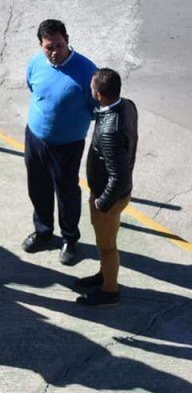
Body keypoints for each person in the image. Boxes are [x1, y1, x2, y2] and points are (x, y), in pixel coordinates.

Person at [22, 19, 98, 265]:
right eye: (49, 47)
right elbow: (34, 89)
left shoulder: (87, 71)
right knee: (37, 187)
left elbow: (96, 107)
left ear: (67, 39)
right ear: (40, 46)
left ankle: (69, 238)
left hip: (67, 145)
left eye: (59, 45)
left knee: (66, 192)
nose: (54, 52)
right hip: (35, 138)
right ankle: (44, 231)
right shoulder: (35, 63)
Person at [75, 69, 138, 307]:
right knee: (106, 242)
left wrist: (102, 203)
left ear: (99, 95)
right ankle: (104, 276)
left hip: (108, 197)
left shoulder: (110, 131)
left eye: (92, 88)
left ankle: (110, 291)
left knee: (107, 246)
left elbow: (118, 176)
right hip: (118, 195)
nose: (90, 89)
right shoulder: (128, 106)